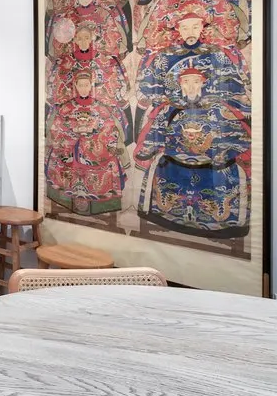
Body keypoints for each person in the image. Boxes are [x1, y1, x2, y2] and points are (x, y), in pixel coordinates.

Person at [133, 66, 251, 238]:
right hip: (174, 165)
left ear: (203, 83)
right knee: (159, 168)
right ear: (180, 84)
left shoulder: (217, 108)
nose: (190, 87)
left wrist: (221, 153)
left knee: (229, 175)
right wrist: (153, 149)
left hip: (210, 168)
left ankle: (221, 227)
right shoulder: (169, 108)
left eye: (196, 82)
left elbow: (238, 137)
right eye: (186, 82)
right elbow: (155, 133)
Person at [134, 10, 248, 135]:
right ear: (179, 30)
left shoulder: (215, 52)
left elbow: (231, 83)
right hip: (175, 106)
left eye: (195, 27)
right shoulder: (166, 54)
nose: (190, 32)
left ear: (201, 28)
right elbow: (151, 83)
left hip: (210, 106)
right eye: (185, 28)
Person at [45, 71, 129, 216]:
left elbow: (109, 127)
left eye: (86, 85)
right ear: (75, 86)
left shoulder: (100, 107)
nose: (83, 88)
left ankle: (101, 206)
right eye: (80, 85)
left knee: (110, 159)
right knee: (60, 157)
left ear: (91, 86)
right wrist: (74, 132)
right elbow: (57, 127)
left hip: (95, 147)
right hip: (70, 148)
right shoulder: (66, 107)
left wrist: (92, 134)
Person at [47, 24, 132, 143]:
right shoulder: (64, 61)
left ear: (92, 38)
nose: (83, 42)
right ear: (74, 39)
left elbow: (119, 84)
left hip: (100, 105)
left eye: (86, 37)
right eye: (80, 38)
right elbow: (53, 87)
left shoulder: (106, 59)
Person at [46, 0, 127, 58]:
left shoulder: (103, 13)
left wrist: (95, 38)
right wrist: (75, 40)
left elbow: (112, 35)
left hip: (98, 55)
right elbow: (60, 41)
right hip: (74, 55)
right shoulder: (69, 15)